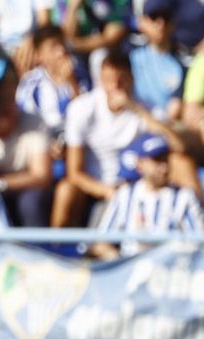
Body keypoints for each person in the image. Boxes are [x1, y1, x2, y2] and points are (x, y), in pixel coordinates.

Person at [55, 49, 168, 227]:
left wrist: (134, 109)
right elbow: (74, 172)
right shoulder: (81, 108)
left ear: (131, 78)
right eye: (109, 80)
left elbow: (173, 142)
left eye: (121, 80)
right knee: (65, 190)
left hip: (133, 187)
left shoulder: (146, 110)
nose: (115, 86)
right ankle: (57, 246)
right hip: (93, 187)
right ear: (100, 80)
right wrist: (105, 190)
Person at [92, 132, 203, 258]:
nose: (164, 167)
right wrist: (117, 260)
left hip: (168, 270)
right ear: (140, 165)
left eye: (165, 159)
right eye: (157, 161)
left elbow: (198, 242)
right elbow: (101, 242)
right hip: (131, 269)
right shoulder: (125, 195)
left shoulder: (184, 197)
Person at [0, 67, 54, 227]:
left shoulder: (35, 123)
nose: (5, 108)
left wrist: (1, 183)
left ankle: (36, 250)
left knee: (30, 202)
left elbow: (42, 175)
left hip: (28, 187)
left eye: (9, 100)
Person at [16, 25, 84, 135]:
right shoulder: (30, 83)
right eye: (53, 47)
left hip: (75, 138)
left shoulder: (80, 73)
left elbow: (86, 114)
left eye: (62, 44)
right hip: (43, 139)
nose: (61, 51)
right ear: (39, 55)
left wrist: (72, 82)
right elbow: (25, 118)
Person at [131, 0, 186, 120]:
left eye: (166, 17)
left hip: (162, 128)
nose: (161, 24)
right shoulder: (128, 55)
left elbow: (173, 110)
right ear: (142, 22)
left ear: (173, 23)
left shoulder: (181, 66)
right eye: (154, 16)